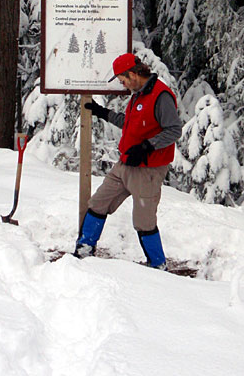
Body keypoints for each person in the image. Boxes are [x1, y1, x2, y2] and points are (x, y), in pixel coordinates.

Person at [74, 52, 182, 269]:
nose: (122, 84)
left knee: (144, 221)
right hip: (125, 165)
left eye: (122, 79)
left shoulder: (161, 96)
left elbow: (174, 130)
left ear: (132, 74)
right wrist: (102, 112)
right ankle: (84, 250)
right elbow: (131, 124)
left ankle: (157, 264)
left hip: (147, 170)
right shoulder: (138, 94)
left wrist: (146, 147)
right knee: (98, 203)